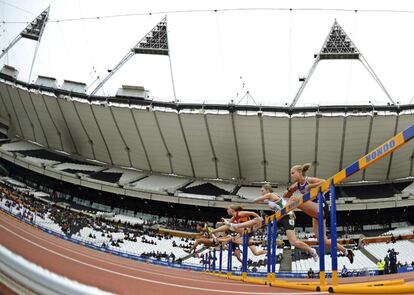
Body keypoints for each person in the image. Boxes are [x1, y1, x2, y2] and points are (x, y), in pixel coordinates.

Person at [283, 163, 354, 263]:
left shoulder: (309, 180)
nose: (291, 175)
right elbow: (285, 195)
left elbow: (325, 182)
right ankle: (346, 251)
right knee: (323, 241)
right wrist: (289, 189)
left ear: (299, 173)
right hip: (316, 212)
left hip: (321, 207)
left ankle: (285, 213)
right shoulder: (297, 185)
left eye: (292, 173)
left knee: (294, 199)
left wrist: (311, 186)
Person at [254, 183, 318, 261]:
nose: (261, 192)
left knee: (293, 242)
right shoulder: (271, 198)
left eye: (262, 190)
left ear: (267, 190)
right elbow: (283, 204)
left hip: (287, 217)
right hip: (281, 217)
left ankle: (311, 250)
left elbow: (255, 200)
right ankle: (262, 224)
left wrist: (260, 199)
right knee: (267, 222)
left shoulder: (270, 195)